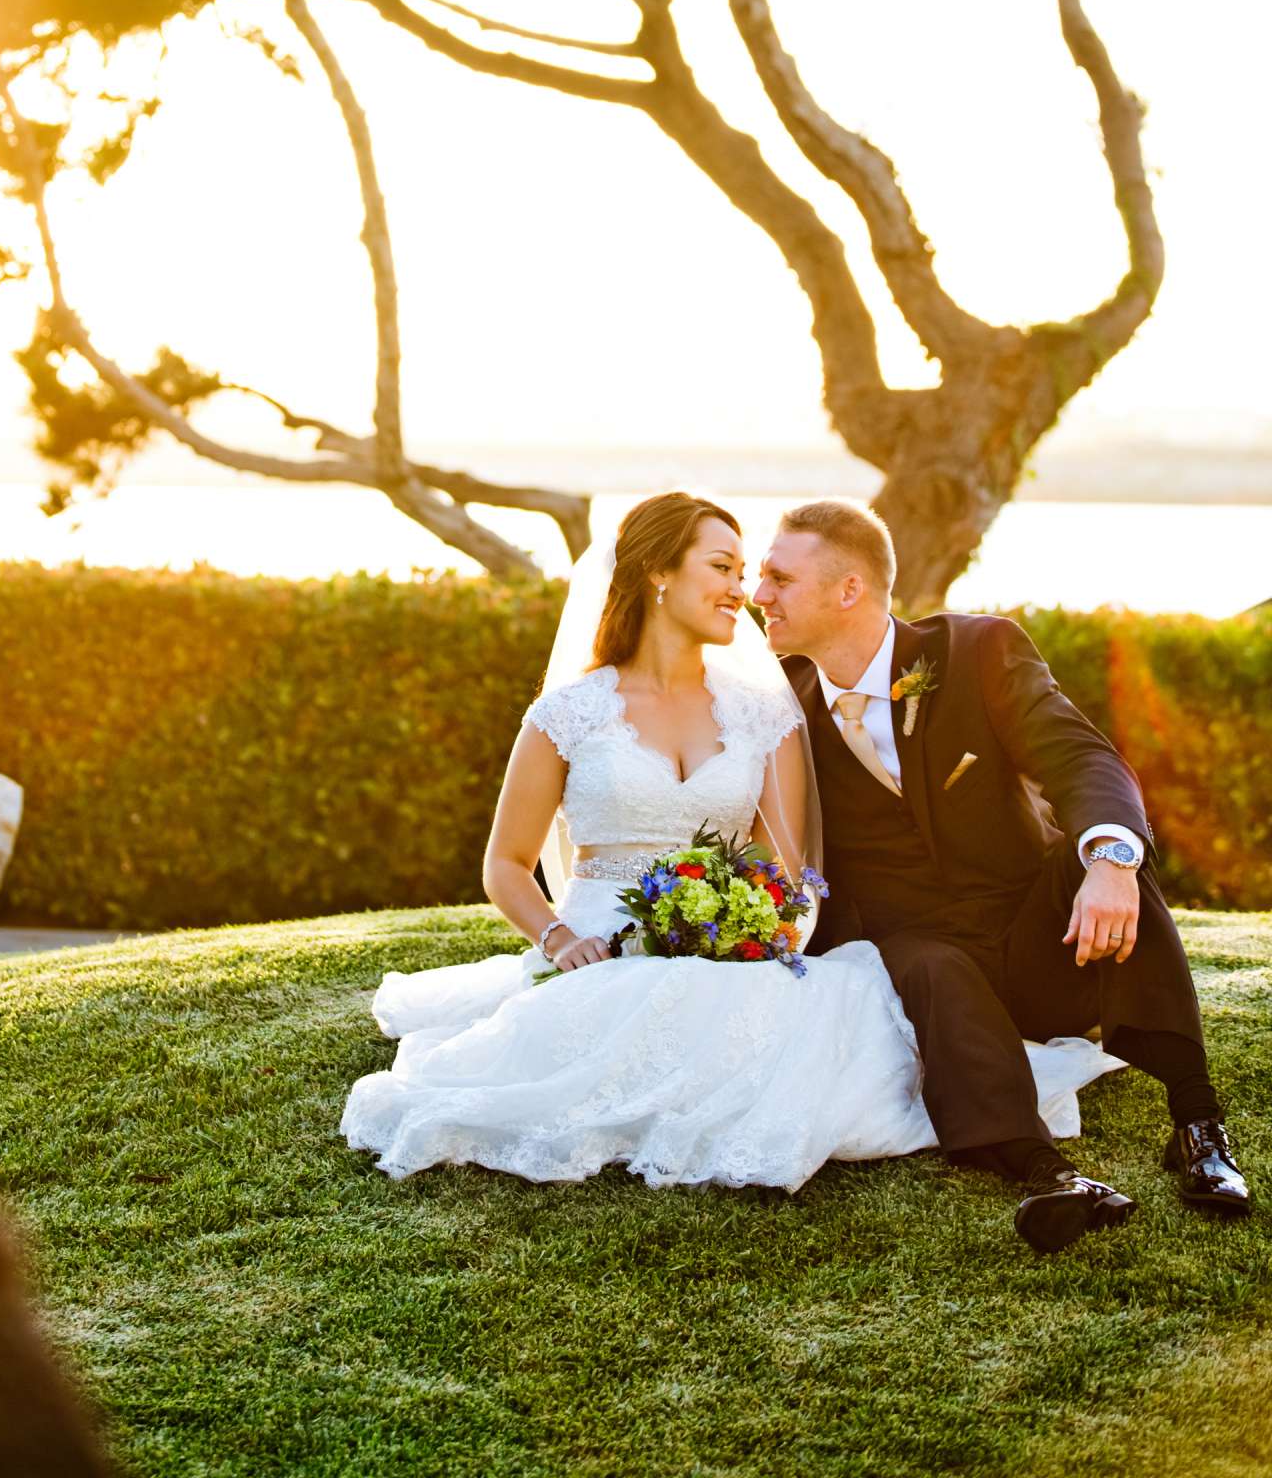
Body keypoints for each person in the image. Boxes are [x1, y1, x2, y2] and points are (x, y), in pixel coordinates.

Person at [342, 492, 1110, 1196]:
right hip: (595, 942)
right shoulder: (567, 713)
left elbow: (790, 870)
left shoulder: (763, 714)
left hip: (728, 943)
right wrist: (558, 935)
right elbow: (505, 865)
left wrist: (758, 931)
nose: (743, 590)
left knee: (802, 1031)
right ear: (656, 577)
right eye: (721, 568)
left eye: (746, 572)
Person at [754, 497, 1253, 1253]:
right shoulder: (778, 703)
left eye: (779, 579)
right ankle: (1047, 1174)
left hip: (1040, 941)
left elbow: (1082, 759)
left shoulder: (975, 652)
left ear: (848, 589)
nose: (762, 596)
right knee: (927, 962)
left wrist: (1110, 861)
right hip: (923, 958)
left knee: (1109, 855)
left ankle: (1196, 1125)